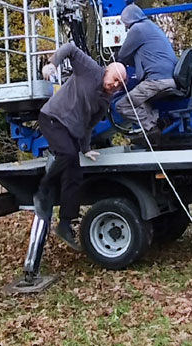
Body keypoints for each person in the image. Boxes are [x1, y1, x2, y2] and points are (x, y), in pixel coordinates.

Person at [21, 41, 126, 286]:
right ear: (107, 71)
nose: (115, 85)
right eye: (115, 80)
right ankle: (43, 189)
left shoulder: (104, 101)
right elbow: (69, 48)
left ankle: (66, 224)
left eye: (120, 84)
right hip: (52, 118)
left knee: (75, 176)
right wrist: (52, 64)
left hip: (71, 131)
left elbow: (89, 125)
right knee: (67, 154)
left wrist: (87, 149)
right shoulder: (90, 69)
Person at [113, 3, 177, 136]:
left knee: (122, 105)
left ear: (128, 19)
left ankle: (152, 129)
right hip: (170, 79)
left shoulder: (137, 29)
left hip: (156, 81)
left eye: (125, 23)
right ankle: (160, 122)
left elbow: (123, 54)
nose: (125, 26)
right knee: (143, 102)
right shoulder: (152, 27)